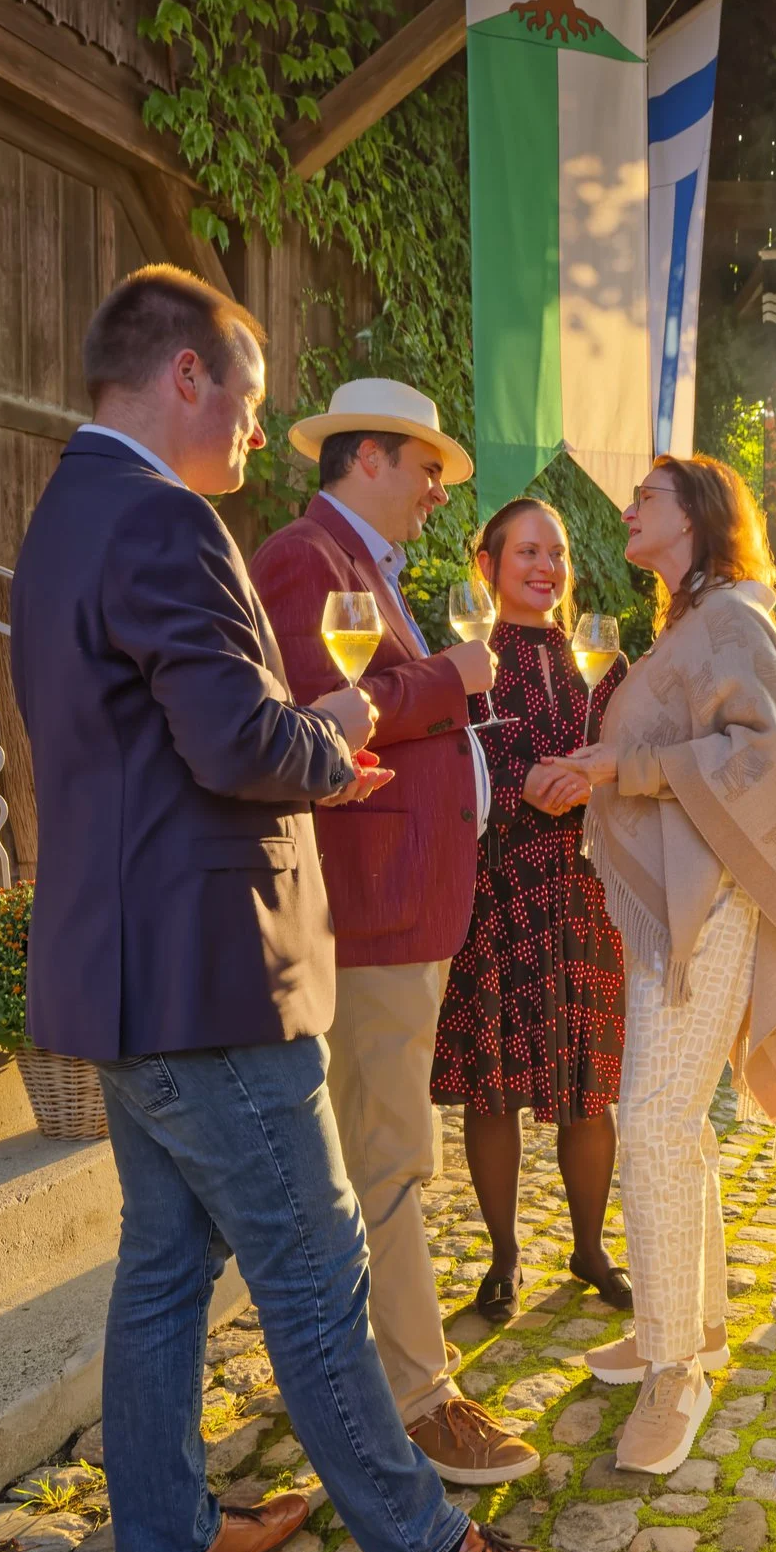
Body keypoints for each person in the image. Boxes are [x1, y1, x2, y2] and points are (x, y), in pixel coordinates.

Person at [10, 266, 591, 1552]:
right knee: (320, 1261)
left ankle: (161, 1538)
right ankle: (426, 1545)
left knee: (164, 1260)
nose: (260, 440)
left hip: (122, 961)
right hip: (210, 966)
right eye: (254, 404)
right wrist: (335, 742)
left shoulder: (66, 512)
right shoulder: (165, 520)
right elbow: (236, 738)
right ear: (189, 376)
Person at [246, 379, 537, 1487]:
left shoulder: (364, 568)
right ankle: (419, 1401)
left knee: (380, 1156)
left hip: (404, 900)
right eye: (426, 470)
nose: (435, 492)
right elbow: (327, 710)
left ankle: (367, 1379)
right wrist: (458, 680)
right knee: (388, 1160)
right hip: (367, 902)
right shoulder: (304, 559)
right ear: (369, 457)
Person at [561, 454, 776, 1476]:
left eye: (646, 496)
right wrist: (598, 771)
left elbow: (757, 759)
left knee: (654, 1122)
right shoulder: (694, 621)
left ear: (695, 517)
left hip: (712, 908)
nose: (628, 507)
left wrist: (620, 765)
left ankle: (674, 1370)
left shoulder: (733, 622)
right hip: (680, 908)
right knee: (670, 1126)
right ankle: (691, 1329)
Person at [431, 498, 632, 1324]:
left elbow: (629, 754)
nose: (546, 566)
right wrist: (524, 787)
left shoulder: (601, 657)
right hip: (498, 889)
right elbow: (453, 767)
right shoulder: (464, 661)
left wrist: (596, 777)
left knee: (591, 1088)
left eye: (556, 553)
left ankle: (589, 1248)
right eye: (527, 551)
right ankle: (505, 1257)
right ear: (488, 564)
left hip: (585, 892)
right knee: (494, 1088)